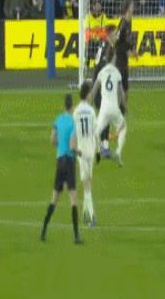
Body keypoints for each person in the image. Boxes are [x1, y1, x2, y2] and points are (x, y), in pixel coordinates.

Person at [40, 93, 83, 244]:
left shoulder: (58, 120)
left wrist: (60, 145)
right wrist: (79, 152)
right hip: (69, 161)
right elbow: (72, 145)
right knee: (73, 199)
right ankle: (76, 236)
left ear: (64, 105)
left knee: (54, 198)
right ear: (72, 106)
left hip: (60, 161)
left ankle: (43, 230)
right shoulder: (73, 122)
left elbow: (52, 139)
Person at [91, 48, 127, 167]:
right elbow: (121, 94)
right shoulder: (117, 73)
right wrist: (123, 106)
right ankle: (118, 152)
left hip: (104, 109)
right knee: (123, 127)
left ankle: (98, 150)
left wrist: (89, 104)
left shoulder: (102, 72)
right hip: (114, 108)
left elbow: (94, 91)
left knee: (96, 131)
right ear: (114, 58)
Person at [72, 82, 97, 226]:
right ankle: (85, 213)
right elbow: (95, 131)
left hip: (81, 150)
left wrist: (74, 148)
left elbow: (74, 133)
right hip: (90, 148)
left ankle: (92, 215)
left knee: (86, 183)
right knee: (88, 181)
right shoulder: (91, 111)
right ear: (87, 94)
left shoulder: (76, 111)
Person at [92, 25, 117, 158]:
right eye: (114, 34)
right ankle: (104, 147)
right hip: (99, 88)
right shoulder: (107, 48)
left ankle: (103, 145)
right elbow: (102, 67)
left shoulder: (105, 46)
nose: (116, 36)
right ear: (109, 35)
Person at [115, 1, 136, 103]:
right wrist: (127, 51)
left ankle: (122, 109)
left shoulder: (129, 21)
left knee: (126, 88)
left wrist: (132, 49)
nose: (134, 7)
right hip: (119, 59)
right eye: (132, 6)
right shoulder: (123, 23)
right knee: (121, 88)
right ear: (127, 8)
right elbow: (117, 42)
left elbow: (128, 38)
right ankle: (117, 107)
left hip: (124, 60)